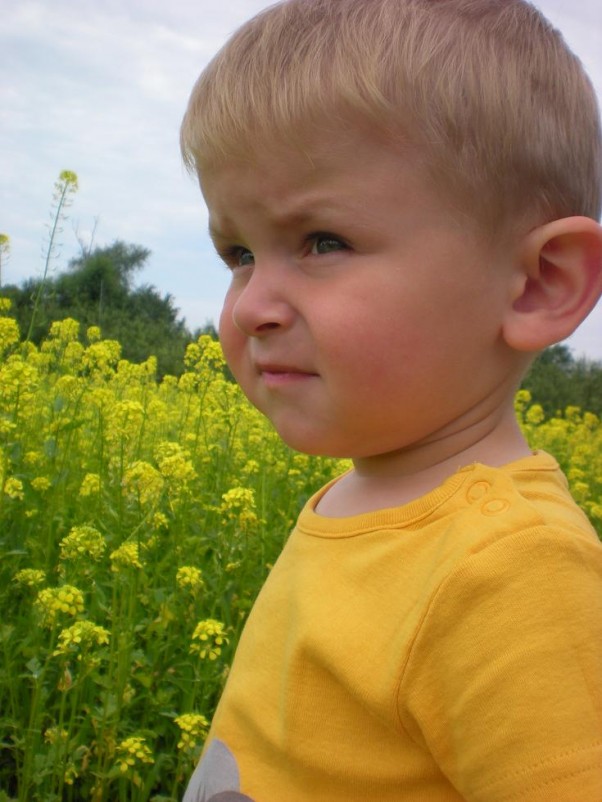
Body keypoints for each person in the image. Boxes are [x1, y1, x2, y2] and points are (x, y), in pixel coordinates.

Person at [179, 0, 602, 799]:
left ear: (542, 284)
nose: (249, 307)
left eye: (322, 242)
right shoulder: (365, 495)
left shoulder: (512, 569)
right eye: (238, 252)